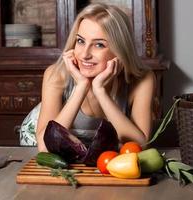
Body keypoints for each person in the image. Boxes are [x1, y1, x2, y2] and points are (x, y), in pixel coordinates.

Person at [20, 3, 156, 152]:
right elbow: (45, 147)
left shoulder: (142, 79)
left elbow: (141, 146)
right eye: (80, 41)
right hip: (37, 143)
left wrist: (100, 91)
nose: (85, 54)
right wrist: (81, 87)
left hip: (88, 151)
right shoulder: (56, 75)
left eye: (98, 45)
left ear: (119, 50)